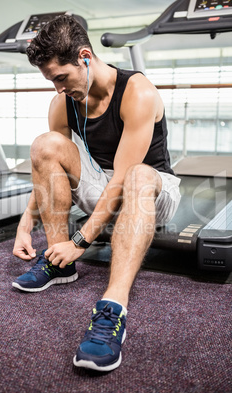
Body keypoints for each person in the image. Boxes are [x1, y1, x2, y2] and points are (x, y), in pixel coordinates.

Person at [12, 14, 181, 372]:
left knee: (135, 175)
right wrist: (26, 221)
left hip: (151, 188)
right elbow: (45, 167)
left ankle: (113, 308)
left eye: (61, 77)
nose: (58, 88)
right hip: (101, 182)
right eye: (51, 80)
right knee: (45, 143)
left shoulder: (138, 92)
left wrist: (81, 239)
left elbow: (122, 180)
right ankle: (60, 264)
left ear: (85, 57)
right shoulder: (63, 102)